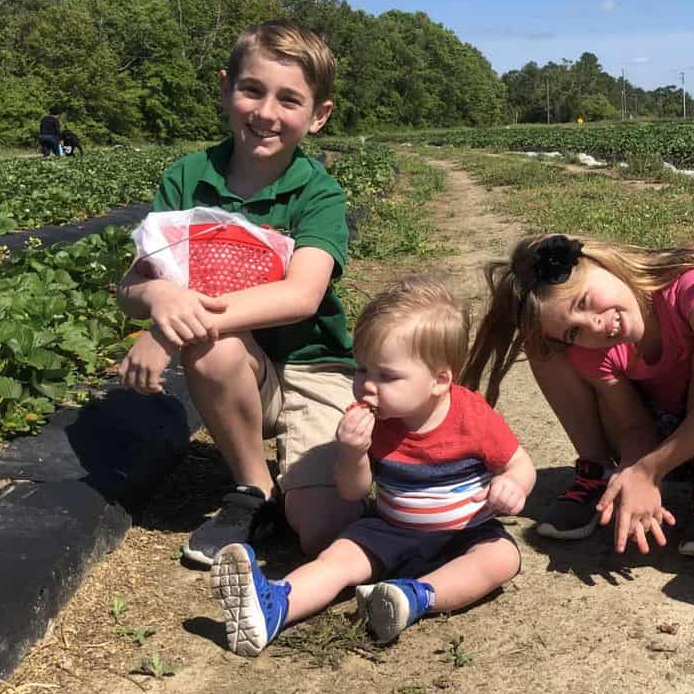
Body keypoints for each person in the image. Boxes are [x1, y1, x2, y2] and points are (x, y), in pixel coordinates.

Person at [116, 21, 361, 567]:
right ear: (227, 88)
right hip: (241, 367)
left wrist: (166, 330)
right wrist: (157, 300)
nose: (267, 112)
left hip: (314, 366)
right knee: (214, 343)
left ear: (318, 116)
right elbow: (133, 281)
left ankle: (345, 457)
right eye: (252, 90)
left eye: (289, 99)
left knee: (322, 533)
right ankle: (256, 489)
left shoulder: (317, 191)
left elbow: (300, 296)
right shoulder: (187, 178)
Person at [212, 277, 534, 655]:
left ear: (439, 379)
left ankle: (414, 597)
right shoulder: (367, 421)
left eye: (387, 376)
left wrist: (514, 485)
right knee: (337, 558)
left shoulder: (471, 416)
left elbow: (519, 464)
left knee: (502, 558)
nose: (367, 386)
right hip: (390, 529)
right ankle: (275, 605)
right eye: (362, 370)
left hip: (465, 532)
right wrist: (351, 453)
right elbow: (352, 493)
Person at [463, 234, 694, 558]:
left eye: (582, 302)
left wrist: (649, 471)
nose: (594, 326)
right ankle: (600, 473)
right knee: (543, 348)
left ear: (601, 262)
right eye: (574, 332)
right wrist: (633, 470)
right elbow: (634, 426)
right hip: (658, 427)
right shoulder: (595, 344)